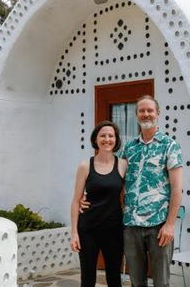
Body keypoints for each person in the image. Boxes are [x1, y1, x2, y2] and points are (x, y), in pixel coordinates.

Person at [83, 95, 183, 287]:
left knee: (161, 283)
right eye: (141, 111)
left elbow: (177, 189)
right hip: (130, 226)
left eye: (149, 110)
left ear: (158, 114)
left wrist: (170, 224)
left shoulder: (170, 146)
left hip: (159, 226)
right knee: (136, 282)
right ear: (136, 115)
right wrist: (85, 198)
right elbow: (109, 175)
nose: (146, 114)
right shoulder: (128, 148)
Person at [70, 121, 128, 287]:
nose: (107, 139)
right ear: (95, 139)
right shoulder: (85, 166)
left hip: (114, 230)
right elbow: (75, 202)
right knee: (87, 279)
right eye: (103, 135)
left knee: (114, 279)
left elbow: (128, 195)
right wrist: (74, 233)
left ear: (116, 140)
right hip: (88, 229)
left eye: (111, 136)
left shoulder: (123, 165)